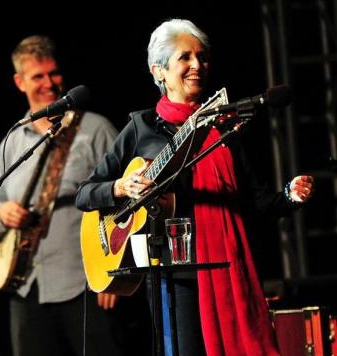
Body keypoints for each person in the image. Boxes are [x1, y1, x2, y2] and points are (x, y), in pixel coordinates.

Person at [75, 18, 315, 355]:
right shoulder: (141, 127)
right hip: (174, 280)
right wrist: (120, 188)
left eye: (201, 57)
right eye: (184, 58)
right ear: (158, 70)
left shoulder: (223, 129)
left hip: (224, 269)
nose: (197, 65)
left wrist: (290, 196)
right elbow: (84, 193)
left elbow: (257, 204)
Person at [0, 35, 129, 356]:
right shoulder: (14, 140)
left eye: (54, 73)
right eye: (38, 76)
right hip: (27, 287)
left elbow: (130, 199)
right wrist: (1, 214)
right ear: (19, 82)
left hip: (86, 285)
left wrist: (118, 273)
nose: (49, 83)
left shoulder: (96, 130)